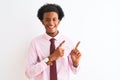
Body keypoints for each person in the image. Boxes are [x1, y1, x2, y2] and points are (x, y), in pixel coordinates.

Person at [25, 3, 82, 80]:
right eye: (47, 20)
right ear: (42, 22)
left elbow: (75, 72)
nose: (51, 23)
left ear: (58, 21)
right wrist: (51, 58)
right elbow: (29, 73)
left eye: (54, 19)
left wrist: (75, 63)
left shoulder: (68, 42)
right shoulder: (35, 43)